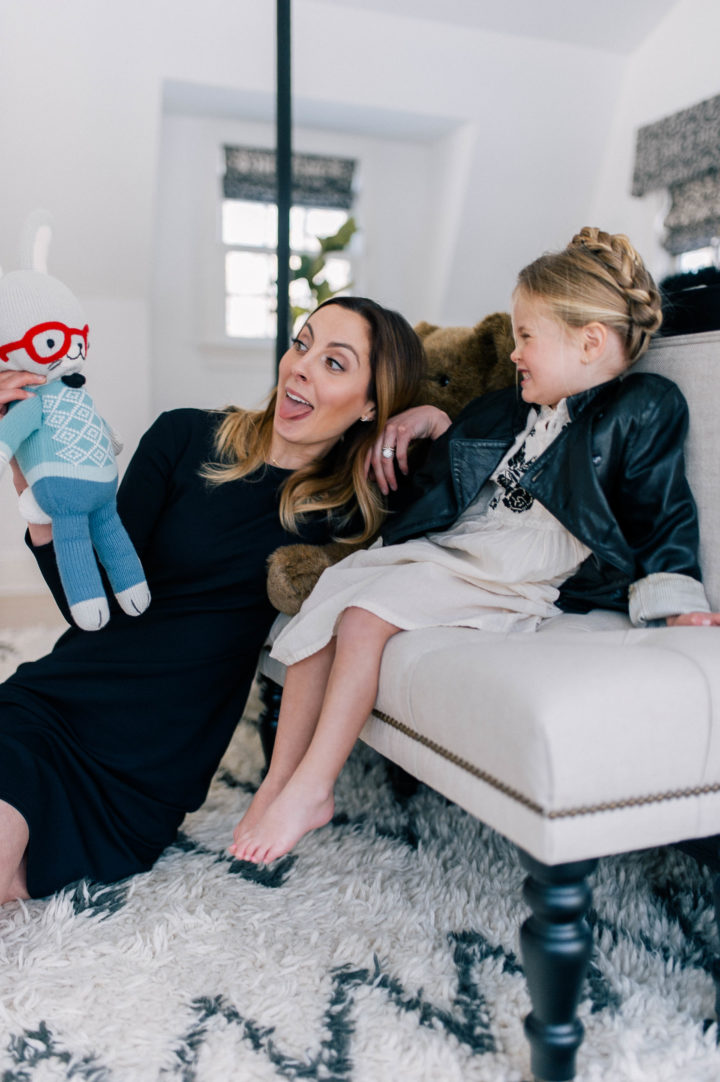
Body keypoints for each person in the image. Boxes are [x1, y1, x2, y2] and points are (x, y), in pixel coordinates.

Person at [231, 226, 720, 867]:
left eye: (526, 337)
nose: (515, 353)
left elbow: (663, 511)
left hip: (517, 570)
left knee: (363, 618)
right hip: (467, 548)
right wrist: (435, 421)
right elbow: (453, 463)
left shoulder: (640, 407)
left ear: (590, 341)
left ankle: (315, 788)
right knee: (329, 594)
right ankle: (279, 782)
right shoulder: (510, 408)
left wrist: (676, 599)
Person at [0, 295, 426, 901]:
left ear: (372, 405)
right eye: (302, 344)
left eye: (335, 363)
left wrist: (425, 417)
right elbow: (87, 604)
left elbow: (478, 452)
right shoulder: (183, 434)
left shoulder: (346, 516)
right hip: (53, 708)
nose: (300, 366)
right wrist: (32, 484)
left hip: (150, 769)